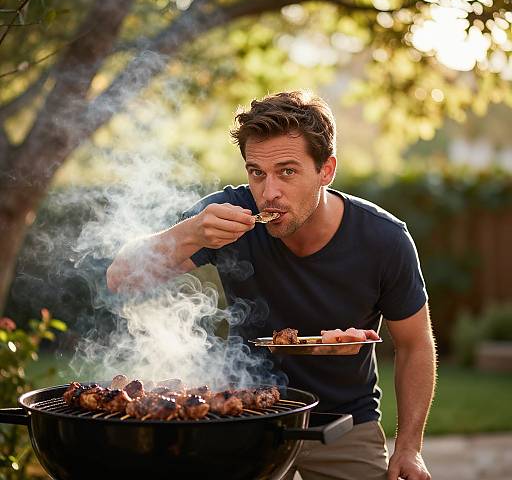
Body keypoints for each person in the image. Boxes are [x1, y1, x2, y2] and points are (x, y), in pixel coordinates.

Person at [107, 90, 436, 480]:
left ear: (326, 171)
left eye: (287, 171)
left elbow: (415, 345)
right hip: (244, 413)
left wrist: (409, 447)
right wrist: (191, 233)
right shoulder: (227, 215)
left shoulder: (384, 239)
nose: (269, 193)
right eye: (256, 172)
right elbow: (120, 279)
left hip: (345, 420)